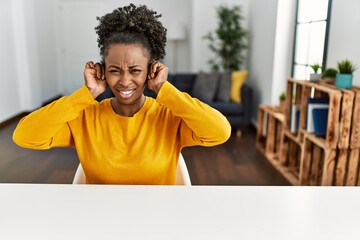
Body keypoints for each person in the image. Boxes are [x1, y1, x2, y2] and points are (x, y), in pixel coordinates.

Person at [13, 4, 231, 184]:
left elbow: (220, 131)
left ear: (150, 71)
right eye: (114, 70)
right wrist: (86, 94)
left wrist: (166, 90)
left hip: (157, 220)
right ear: (102, 71)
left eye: (135, 70)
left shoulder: (170, 118)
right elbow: (25, 136)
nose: (125, 81)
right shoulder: (85, 117)